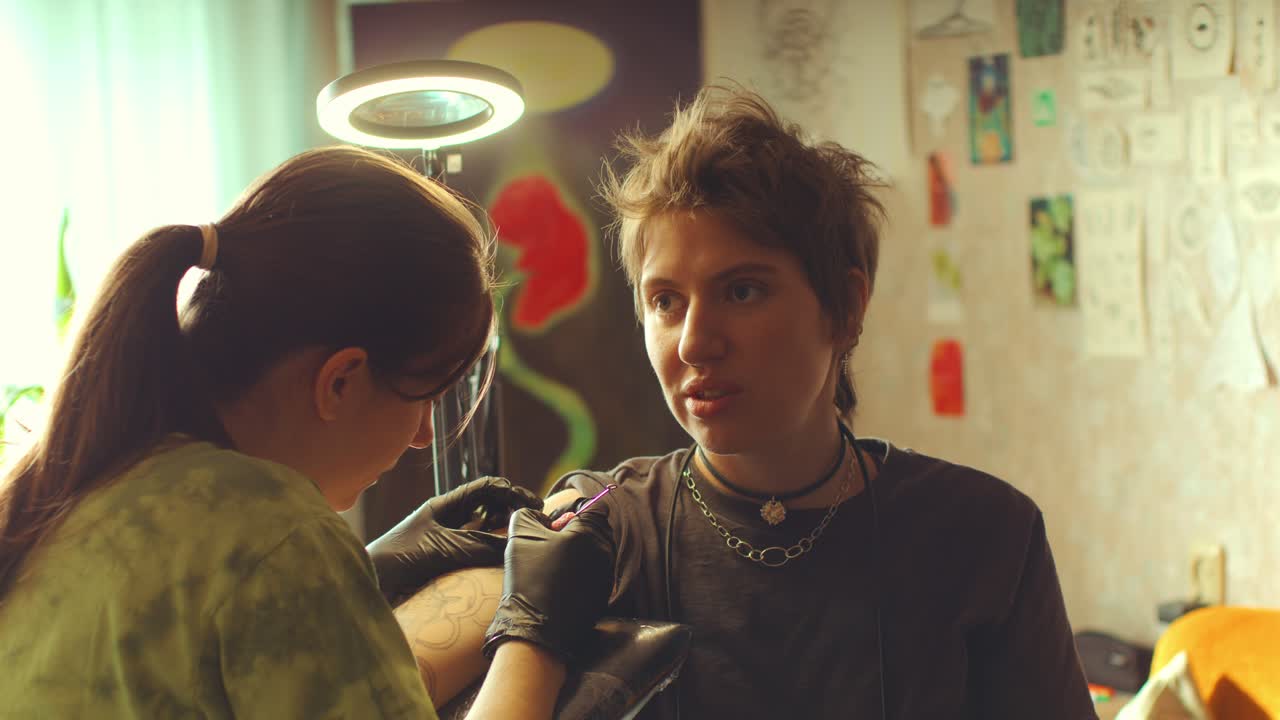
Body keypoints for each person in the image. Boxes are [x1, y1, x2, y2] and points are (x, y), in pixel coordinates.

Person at [542, 85, 1099, 718]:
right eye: (666, 301)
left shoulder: (985, 534)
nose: (694, 343)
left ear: (845, 308)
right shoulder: (605, 531)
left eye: (742, 291)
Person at [0, 145, 614, 719]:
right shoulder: (274, 533)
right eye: (424, 398)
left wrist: (366, 573)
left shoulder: (78, 492)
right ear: (340, 381)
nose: (424, 436)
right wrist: (537, 633)